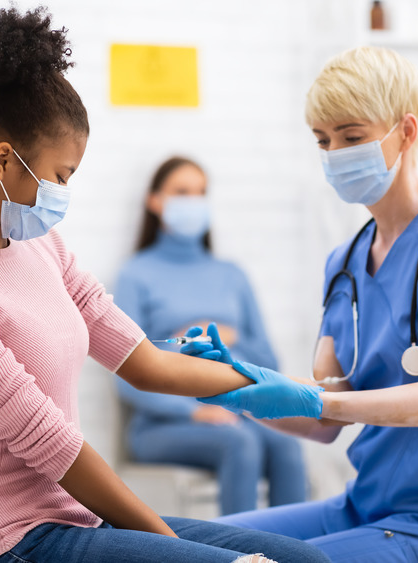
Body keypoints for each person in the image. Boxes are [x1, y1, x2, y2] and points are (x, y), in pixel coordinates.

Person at [0, 7, 330, 563]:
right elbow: (51, 446)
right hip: (13, 543)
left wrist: (267, 383)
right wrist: (175, 548)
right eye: (60, 175)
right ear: (4, 161)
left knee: (308, 561)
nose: (62, 193)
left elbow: (145, 362)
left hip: (78, 520)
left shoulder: (42, 247)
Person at [180, 46, 418, 562]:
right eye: (323, 140)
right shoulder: (345, 263)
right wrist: (237, 388)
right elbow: (323, 423)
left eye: (352, 136)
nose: (335, 153)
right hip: (365, 507)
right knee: (182, 544)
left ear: (406, 133)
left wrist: (321, 401)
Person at [114, 156, 307, 516]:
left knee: (288, 447)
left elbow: (269, 363)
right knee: (241, 444)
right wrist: (185, 354)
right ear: (154, 201)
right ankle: (241, 556)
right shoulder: (135, 275)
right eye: (182, 192)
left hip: (236, 415)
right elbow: (126, 375)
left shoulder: (231, 275)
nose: (194, 202)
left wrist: (231, 340)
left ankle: (287, 552)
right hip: (162, 425)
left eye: (201, 193)